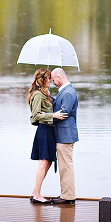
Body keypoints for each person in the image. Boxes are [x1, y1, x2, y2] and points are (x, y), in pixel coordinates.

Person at [29, 68, 67, 204]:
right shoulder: (38, 95)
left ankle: (35, 192)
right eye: (49, 78)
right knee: (43, 162)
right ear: (43, 80)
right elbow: (35, 115)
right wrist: (53, 115)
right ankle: (37, 194)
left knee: (48, 162)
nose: (51, 80)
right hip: (44, 130)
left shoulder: (45, 93)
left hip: (49, 131)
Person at [50, 67, 79, 205]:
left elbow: (63, 113)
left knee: (66, 166)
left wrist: (45, 117)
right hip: (63, 134)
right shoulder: (65, 91)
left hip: (65, 134)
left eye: (53, 79)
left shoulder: (68, 92)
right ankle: (66, 194)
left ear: (59, 77)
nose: (52, 82)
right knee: (64, 166)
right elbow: (60, 106)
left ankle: (68, 196)